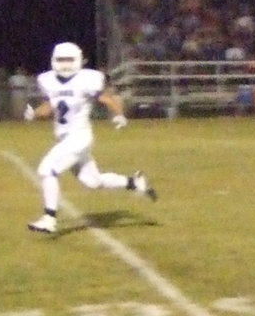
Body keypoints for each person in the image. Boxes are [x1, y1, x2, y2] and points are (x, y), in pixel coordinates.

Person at [23, 42, 156, 234]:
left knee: (47, 169)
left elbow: (108, 98)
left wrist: (119, 115)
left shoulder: (86, 79)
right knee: (93, 182)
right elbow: (51, 106)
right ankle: (135, 183)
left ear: (78, 60)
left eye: (69, 60)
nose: (66, 64)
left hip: (79, 137)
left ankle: (49, 218)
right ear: (53, 60)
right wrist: (34, 113)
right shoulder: (48, 80)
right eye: (62, 60)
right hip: (65, 139)